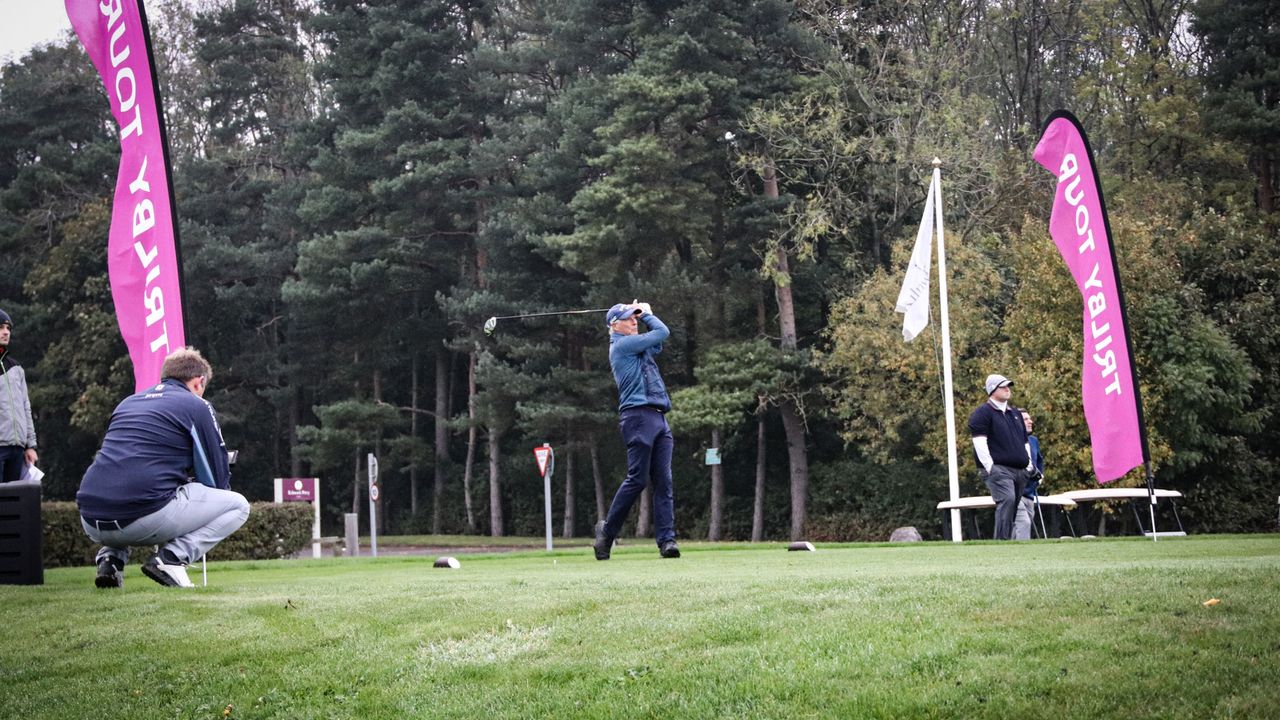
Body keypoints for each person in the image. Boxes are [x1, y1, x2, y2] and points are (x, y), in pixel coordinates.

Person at [77, 347, 249, 588]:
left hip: (90, 516)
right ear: (199, 382)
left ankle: (110, 559)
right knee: (238, 505)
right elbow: (216, 478)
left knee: (128, 484)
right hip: (141, 518)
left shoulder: (127, 403)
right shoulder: (198, 406)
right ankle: (171, 558)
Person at [594, 301, 680, 560]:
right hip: (637, 417)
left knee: (664, 481)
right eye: (629, 318)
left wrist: (642, 315)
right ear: (614, 325)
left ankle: (667, 541)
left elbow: (657, 344)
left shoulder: (636, 346)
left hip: (658, 418)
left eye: (635, 318)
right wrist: (649, 314)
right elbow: (662, 332)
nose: (634, 321)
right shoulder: (621, 346)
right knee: (638, 480)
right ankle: (607, 533)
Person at [968, 374, 1033, 540]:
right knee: (1008, 499)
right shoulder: (983, 413)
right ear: (992, 390)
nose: (1007, 389)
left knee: (1012, 505)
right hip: (999, 469)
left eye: (1008, 386)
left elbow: (1024, 442)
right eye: (1002, 386)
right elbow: (979, 443)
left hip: (1020, 470)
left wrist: (1029, 465)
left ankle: (1007, 542)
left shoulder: (1015, 414)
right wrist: (991, 468)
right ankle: (1001, 542)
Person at [0, 308, 38, 484]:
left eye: (8, 328)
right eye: (1, 328)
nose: (6, 332)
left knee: (13, 504)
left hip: (17, 449)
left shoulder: (16, 368)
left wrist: (30, 445)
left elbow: (25, 407)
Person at [1012, 409, 1046, 540]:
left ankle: (1007, 556)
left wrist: (1040, 478)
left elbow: (1039, 461)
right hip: (1014, 493)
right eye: (1025, 419)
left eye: (1029, 419)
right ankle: (1022, 556)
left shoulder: (1033, 441)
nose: (1030, 421)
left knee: (1019, 528)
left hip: (1030, 494)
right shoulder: (1010, 441)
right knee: (1023, 523)